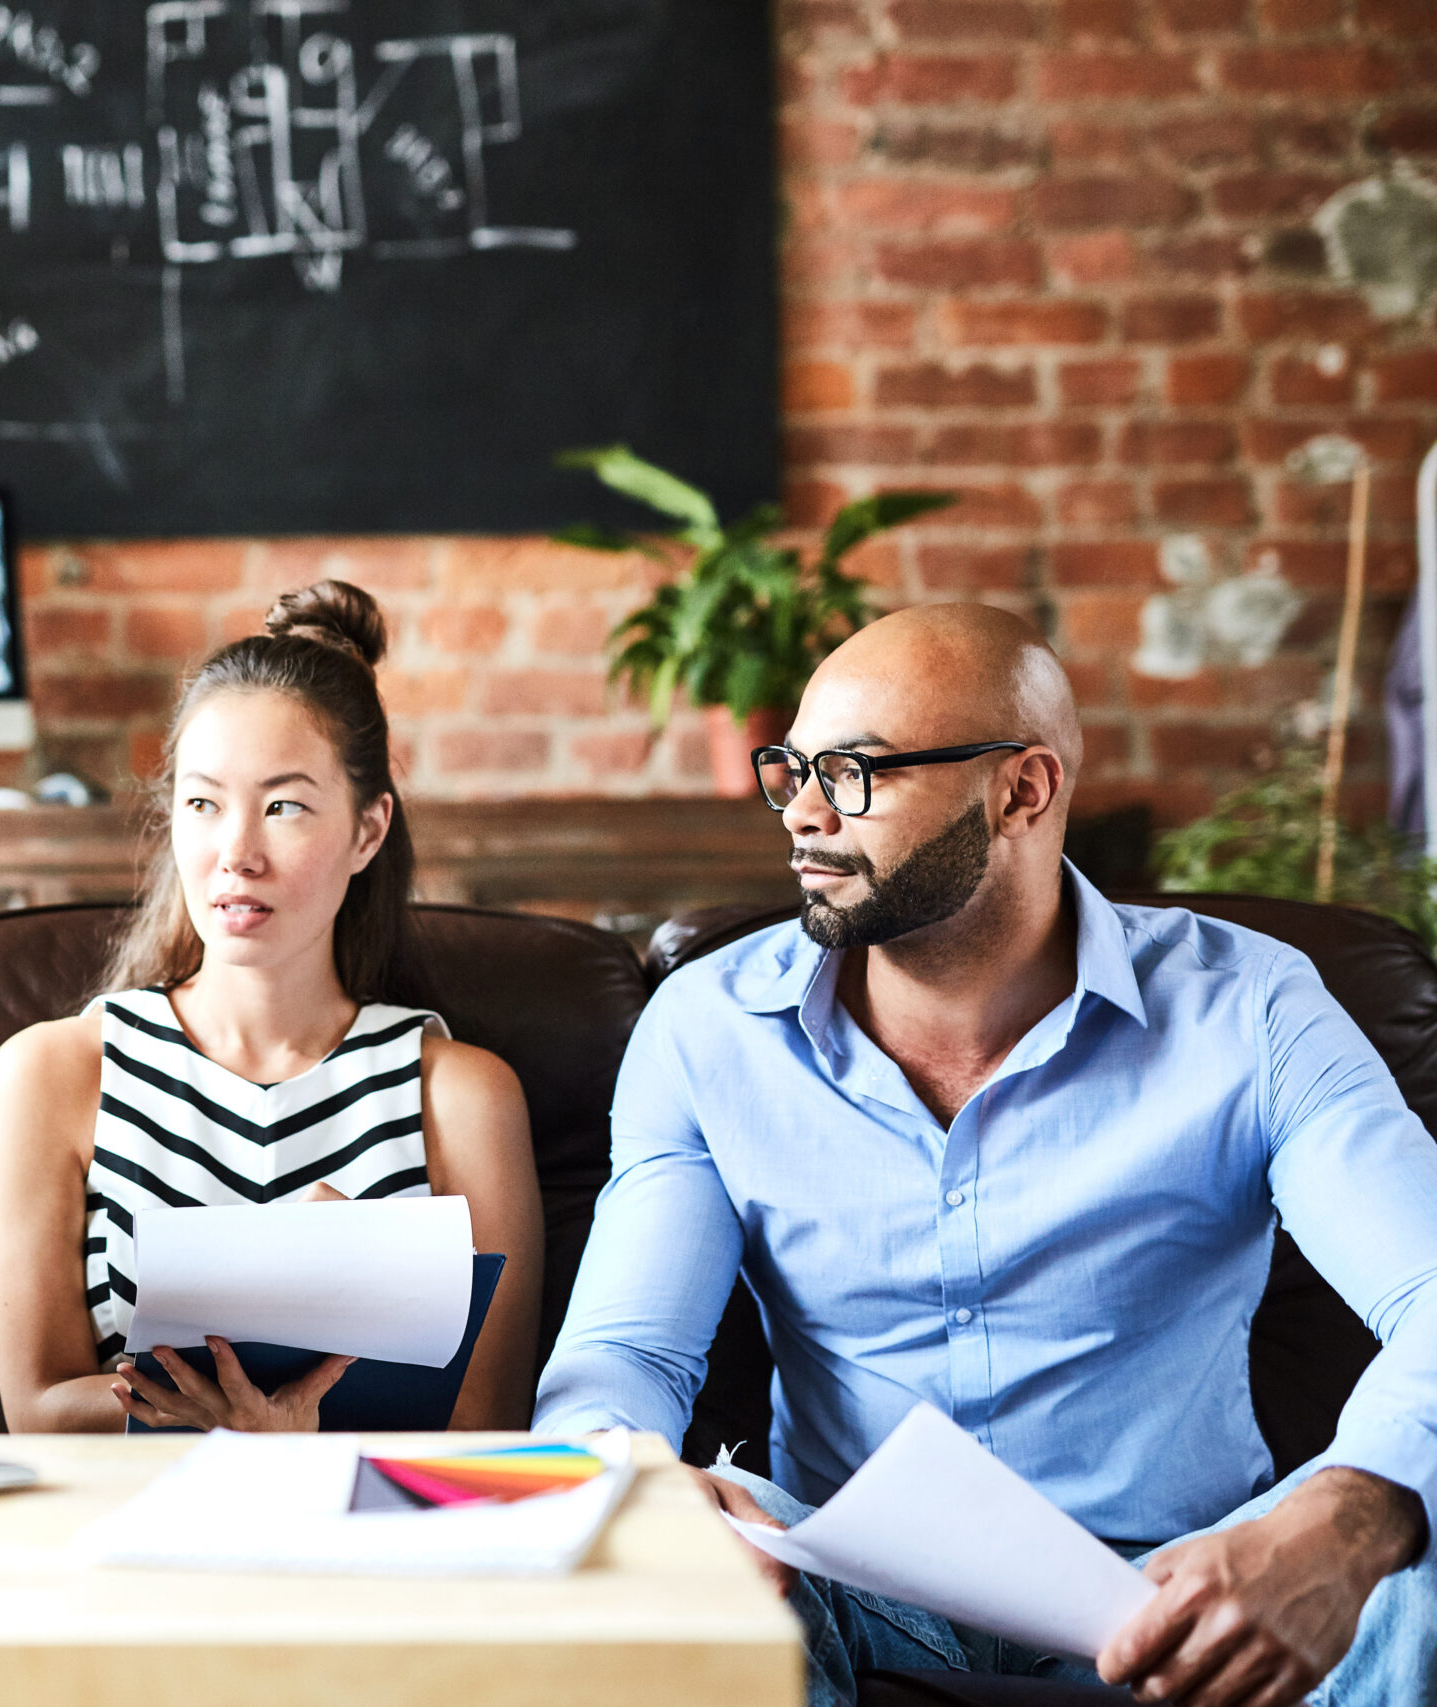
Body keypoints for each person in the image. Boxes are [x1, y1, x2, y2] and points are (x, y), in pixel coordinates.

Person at [534, 603, 1437, 1707]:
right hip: (851, 1597)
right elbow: (629, 1354)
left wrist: (1349, 1515)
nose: (803, 816)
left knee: (1411, 1535)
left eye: (856, 772)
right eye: (793, 770)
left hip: (1189, 1585)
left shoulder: (1249, 1006)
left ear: (1022, 790)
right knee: (662, 1563)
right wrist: (637, 1479)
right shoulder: (708, 1028)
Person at [0, 581, 544, 1433]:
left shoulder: (462, 1095)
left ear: (368, 829)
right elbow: (37, 1409)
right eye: (203, 802)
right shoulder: (53, 1072)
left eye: (284, 806)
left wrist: (291, 1417)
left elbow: (489, 1420)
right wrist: (249, 1381)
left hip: (374, 1539)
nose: (235, 854)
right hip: (134, 1532)